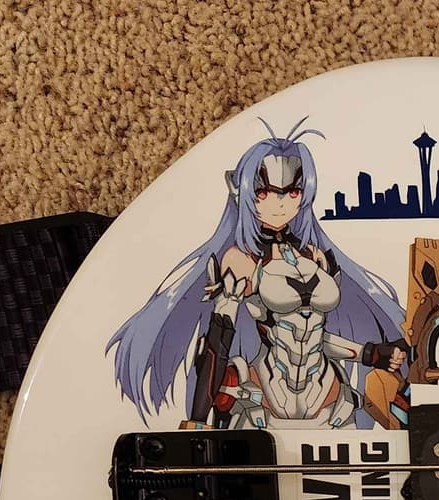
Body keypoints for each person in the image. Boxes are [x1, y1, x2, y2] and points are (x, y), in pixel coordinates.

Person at [108, 120, 410, 429]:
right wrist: (198, 422)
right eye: (265, 191)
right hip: (264, 400)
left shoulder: (315, 256)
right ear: (242, 191)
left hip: (326, 401)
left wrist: (370, 353)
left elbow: (313, 337)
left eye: (292, 192)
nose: (280, 203)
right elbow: (218, 341)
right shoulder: (241, 262)